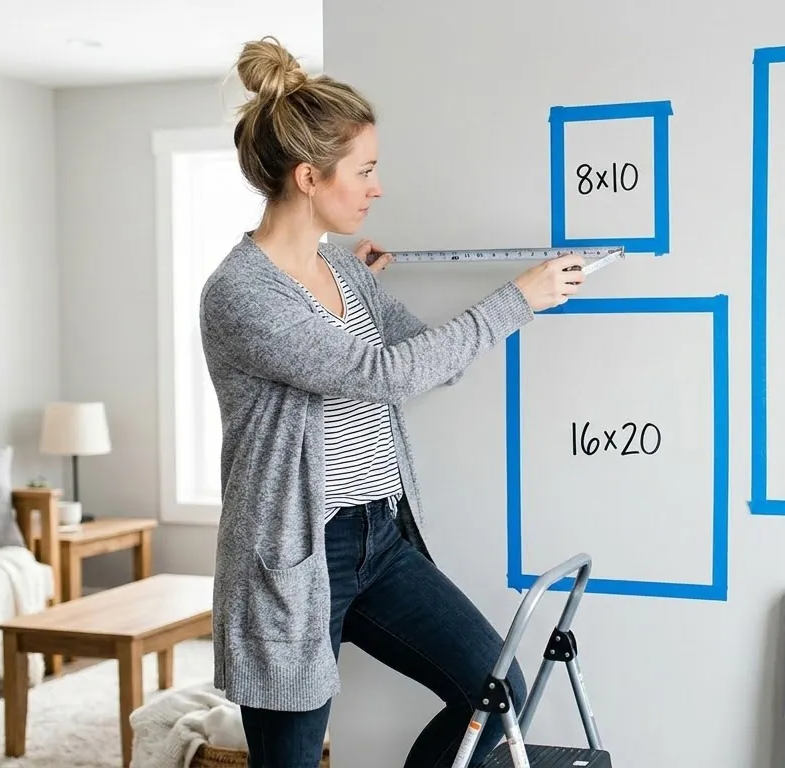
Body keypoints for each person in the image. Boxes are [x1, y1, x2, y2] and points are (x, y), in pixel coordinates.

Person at [197, 36, 585, 768]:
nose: (377, 187)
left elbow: (434, 364)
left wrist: (370, 291)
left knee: (494, 693)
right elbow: (387, 375)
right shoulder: (241, 293)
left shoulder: (342, 272)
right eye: (365, 171)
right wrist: (518, 300)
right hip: (293, 561)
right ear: (310, 177)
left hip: (383, 540)